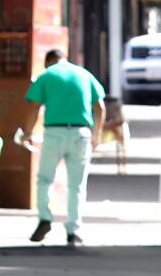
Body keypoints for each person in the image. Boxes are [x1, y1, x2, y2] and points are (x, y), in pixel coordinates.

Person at [24, 45, 108, 246]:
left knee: (44, 179)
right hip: (81, 133)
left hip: (54, 132)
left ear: (48, 62)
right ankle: (74, 230)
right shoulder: (84, 74)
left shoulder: (46, 75)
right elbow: (100, 107)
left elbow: (34, 107)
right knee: (77, 185)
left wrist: (27, 132)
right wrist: (96, 134)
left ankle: (45, 218)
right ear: (65, 58)